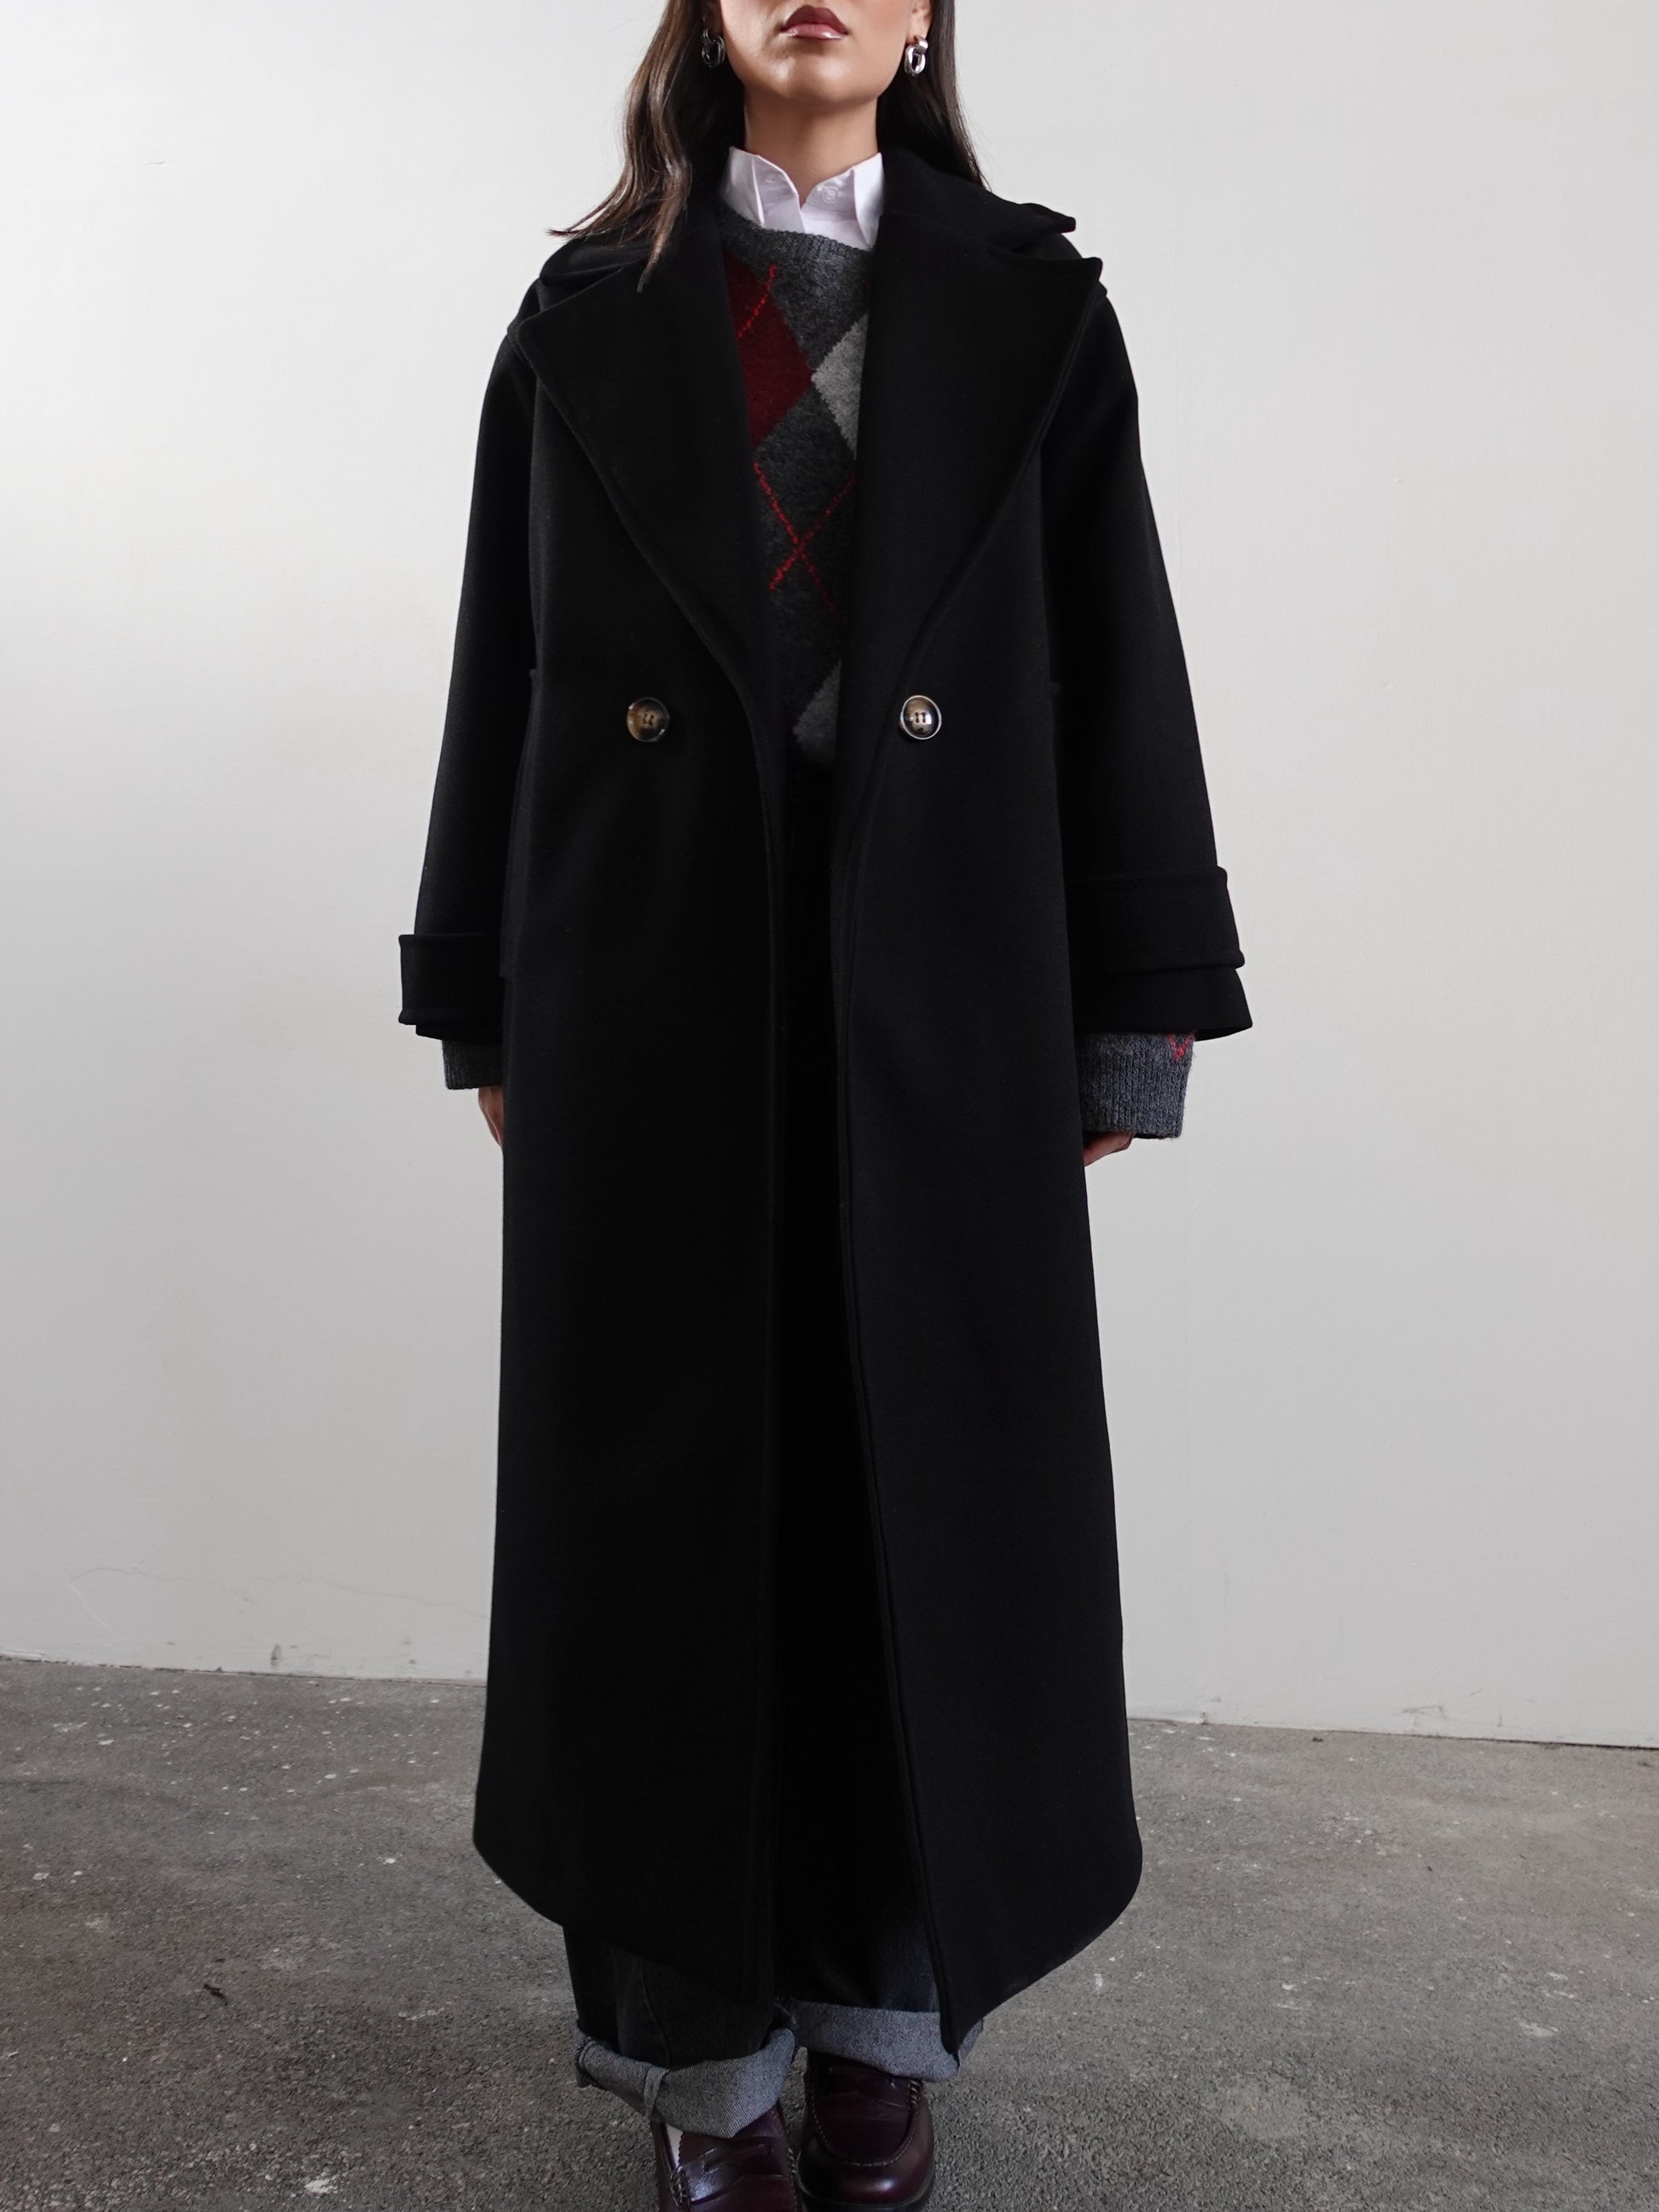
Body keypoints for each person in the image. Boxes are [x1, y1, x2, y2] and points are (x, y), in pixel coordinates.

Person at [398, 2, 1250, 2203]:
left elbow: (1117, 654)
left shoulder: (1036, 311)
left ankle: (878, 2039)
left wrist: (1134, 1012)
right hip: (644, 1001)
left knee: (917, 1515)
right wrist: (485, 1001)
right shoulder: (581, 318)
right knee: (663, 1542)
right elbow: (503, 663)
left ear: (925, 16)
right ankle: (706, 2078)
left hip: (944, 1005)